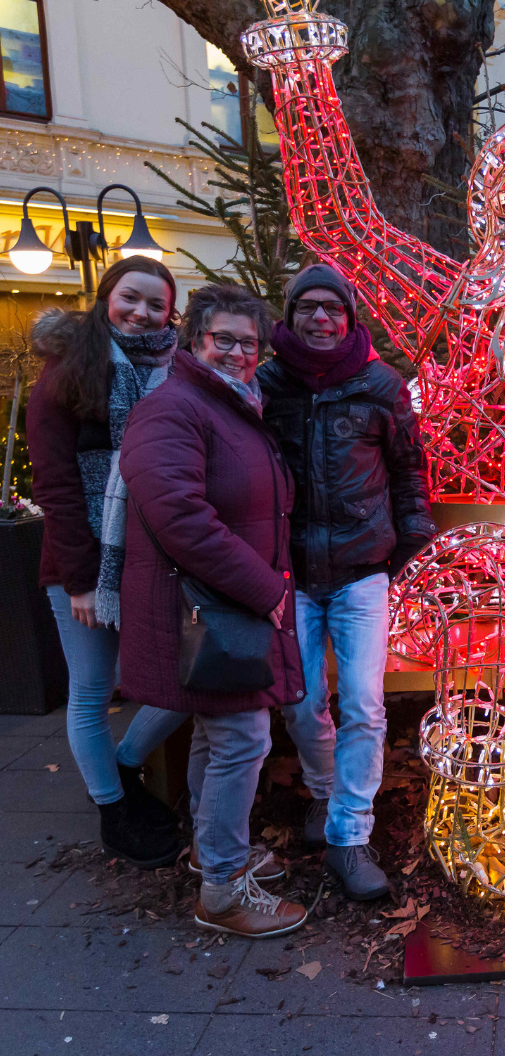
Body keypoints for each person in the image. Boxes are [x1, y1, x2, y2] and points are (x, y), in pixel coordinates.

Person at [119, 283, 307, 937]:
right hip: (205, 609)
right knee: (242, 739)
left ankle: (211, 853)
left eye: (247, 343)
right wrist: (268, 590)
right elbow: (181, 518)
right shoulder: (173, 409)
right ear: (195, 340)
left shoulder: (231, 406)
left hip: (220, 606)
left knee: (215, 735)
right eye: (222, 338)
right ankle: (223, 892)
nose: (236, 351)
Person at [258, 263, 436, 902]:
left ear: (350, 317)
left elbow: (408, 466)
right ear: (291, 314)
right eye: (307, 306)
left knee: (362, 703)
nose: (321, 318)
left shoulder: (380, 384)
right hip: (292, 572)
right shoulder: (266, 383)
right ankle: (325, 791)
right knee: (301, 703)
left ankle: (349, 836)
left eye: (333, 307)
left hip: (363, 568)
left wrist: (408, 542)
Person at [26, 256, 187, 869]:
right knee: (91, 691)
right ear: (106, 297)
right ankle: (113, 810)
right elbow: (57, 485)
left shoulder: (177, 370)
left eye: (156, 303)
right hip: (85, 561)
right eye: (131, 298)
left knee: (187, 681)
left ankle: (122, 765)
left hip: (157, 559)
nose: (143, 312)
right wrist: (82, 580)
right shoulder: (70, 371)